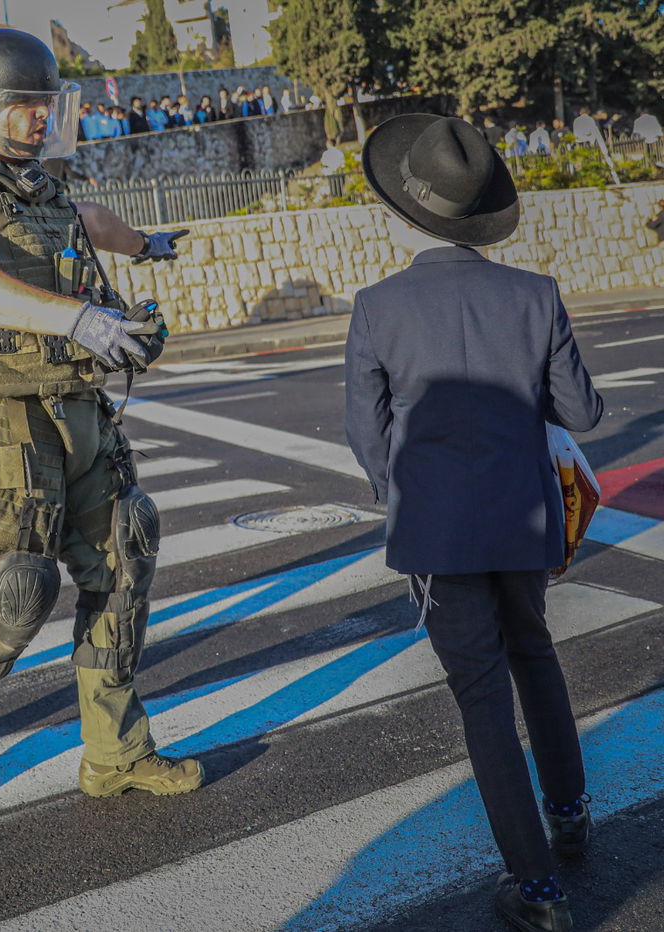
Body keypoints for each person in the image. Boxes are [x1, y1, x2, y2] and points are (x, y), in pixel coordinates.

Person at [0, 28, 200, 822]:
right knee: (12, 592)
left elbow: (85, 218)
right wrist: (83, 319)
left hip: (78, 408)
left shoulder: (35, 186)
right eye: (27, 106)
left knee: (125, 562)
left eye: (45, 105)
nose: (42, 120)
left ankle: (117, 755)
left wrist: (145, 247)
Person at [348, 114, 603, 932]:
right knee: (537, 657)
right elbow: (584, 412)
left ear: (408, 211)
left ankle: (536, 892)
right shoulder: (535, 294)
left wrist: (411, 495)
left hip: (438, 531)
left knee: (483, 697)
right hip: (523, 519)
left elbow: (366, 432)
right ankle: (570, 816)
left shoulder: (377, 306)